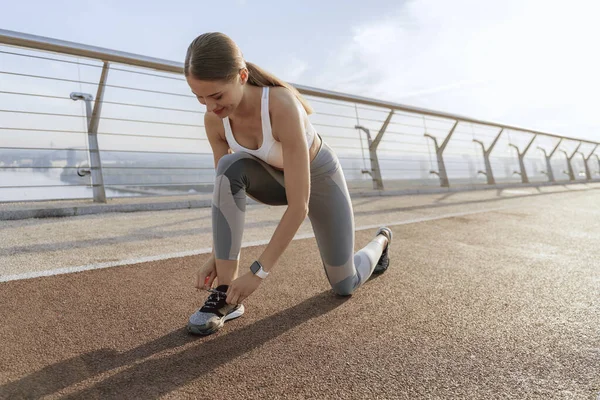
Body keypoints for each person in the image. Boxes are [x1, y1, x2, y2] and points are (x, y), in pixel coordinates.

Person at [184, 32, 393, 336]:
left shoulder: (281, 105)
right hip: (270, 180)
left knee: (344, 285)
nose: (209, 107)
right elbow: (224, 195)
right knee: (228, 167)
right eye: (200, 98)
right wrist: (218, 256)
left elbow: (299, 206)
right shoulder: (214, 120)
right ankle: (225, 297)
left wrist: (258, 273)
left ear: (242, 77)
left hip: (318, 178)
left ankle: (382, 240)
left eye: (216, 96)